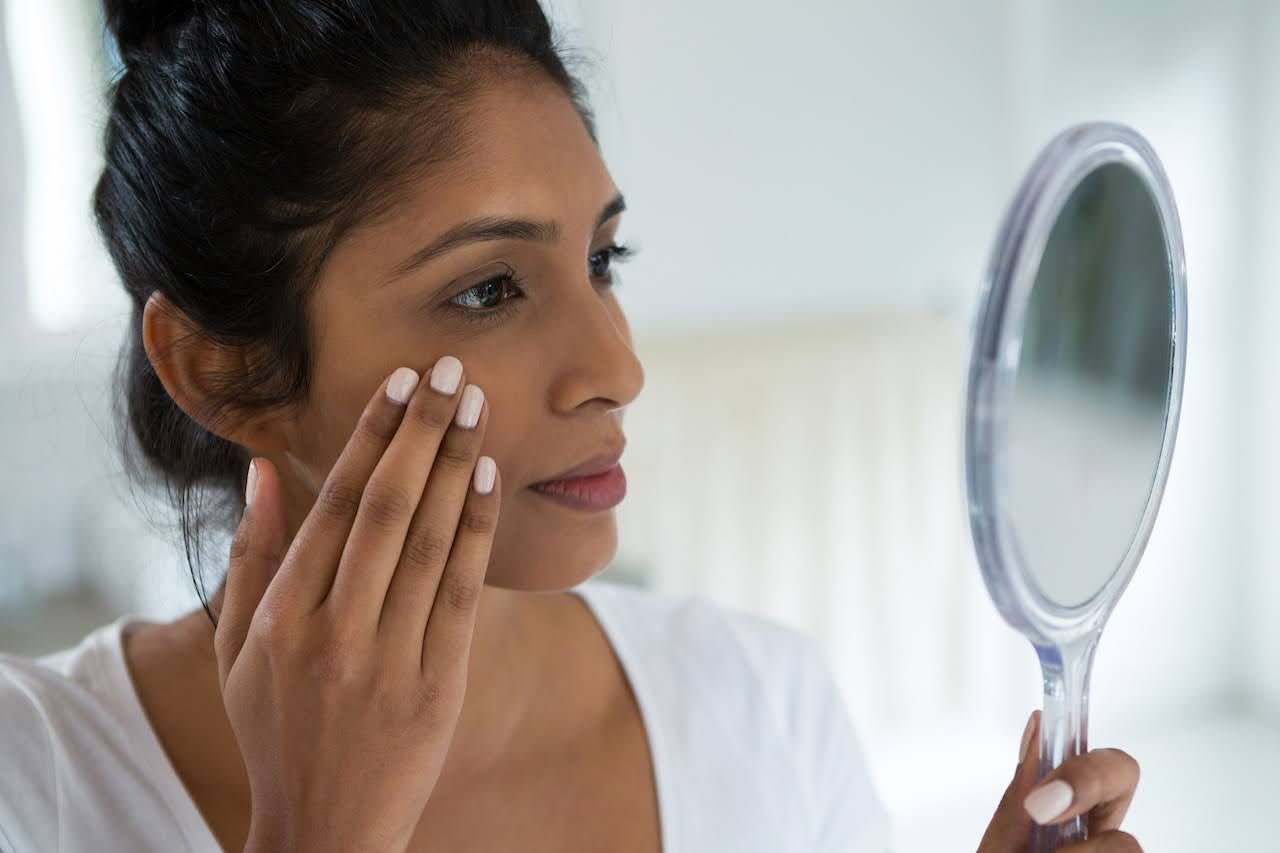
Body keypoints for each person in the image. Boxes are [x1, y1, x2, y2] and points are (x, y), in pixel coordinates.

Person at [0, 2, 1142, 851]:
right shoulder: (34, 779)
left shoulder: (757, 702)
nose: (617, 366)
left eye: (603, 260)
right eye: (488, 288)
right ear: (223, 368)